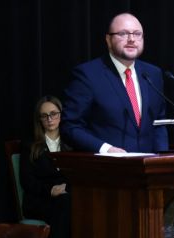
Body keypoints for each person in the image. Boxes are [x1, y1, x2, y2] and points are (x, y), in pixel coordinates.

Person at [61, 13, 168, 153]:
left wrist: (161, 158)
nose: (131, 39)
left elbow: (159, 123)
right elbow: (70, 126)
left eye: (137, 34)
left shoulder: (153, 74)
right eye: (123, 34)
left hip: (148, 168)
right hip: (107, 168)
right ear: (108, 40)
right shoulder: (88, 74)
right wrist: (106, 149)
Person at [20, 96, 73, 238]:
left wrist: (64, 188)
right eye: (44, 116)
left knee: (70, 206)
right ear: (39, 120)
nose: (50, 119)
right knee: (68, 207)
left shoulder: (71, 144)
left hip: (66, 199)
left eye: (53, 114)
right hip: (39, 200)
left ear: (60, 116)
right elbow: (27, 181)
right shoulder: (31, 146)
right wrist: (50, 190)